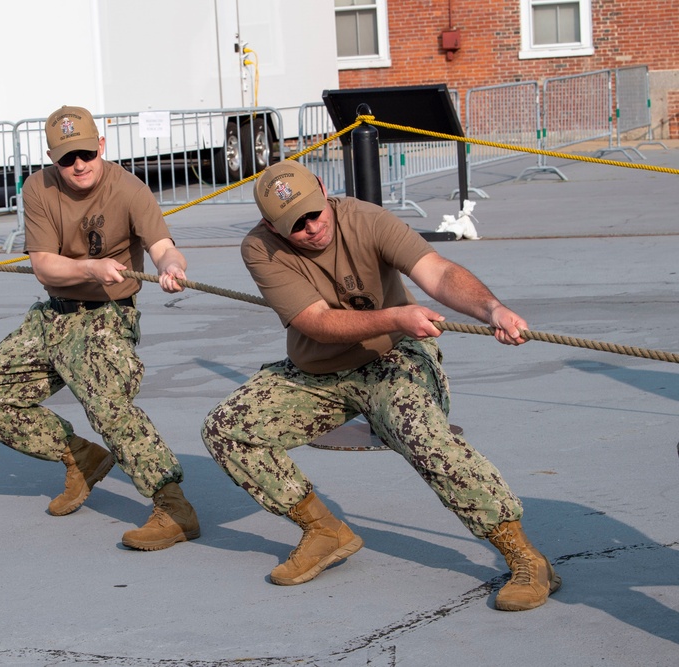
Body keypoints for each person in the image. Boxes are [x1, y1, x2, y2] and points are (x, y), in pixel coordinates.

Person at [201, 159, 560, 611]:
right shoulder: (259, 249)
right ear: (271, 227)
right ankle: (324, 530)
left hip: (394, 356)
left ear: (322, 188)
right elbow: (318, 323)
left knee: (424, 438)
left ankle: (526, 557)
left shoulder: (365, 219)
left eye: (315, 212)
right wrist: (396, 316)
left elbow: (437, 271)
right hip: (321, 369)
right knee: (226, 429)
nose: (312, 227)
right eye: (296, 224)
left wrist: (491, 310)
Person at [0, 105, 199, 550]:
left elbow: (164, 246)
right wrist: (90, 267)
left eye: (86, 154)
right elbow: (43, 265)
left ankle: (174, 506)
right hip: (54, 314)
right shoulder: (38, 187)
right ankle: (80, 457)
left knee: (107, 403)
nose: (79, 165)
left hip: (108, 316)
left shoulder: (128, 188)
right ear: (52, 158)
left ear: (101, 147)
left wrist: (172, 268)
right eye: (67, 158)